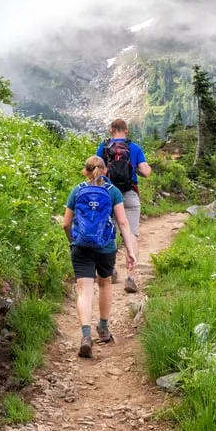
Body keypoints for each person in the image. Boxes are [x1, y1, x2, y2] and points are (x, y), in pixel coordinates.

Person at [60, 156, 138, 358]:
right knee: (104, 284)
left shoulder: (77, 191)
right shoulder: (113, 192)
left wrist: (73, 241)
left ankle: (85, 335)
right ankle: (103, 328)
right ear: (105, 171)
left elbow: (66, 224)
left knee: (84, 290)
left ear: (85, 172)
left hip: (81, 246)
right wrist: (130, 250)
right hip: (106, 247)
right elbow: (123, 223)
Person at [98, 118, 152, 293]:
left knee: (109, 232)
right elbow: (146, 172)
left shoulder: (104, 148)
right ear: (126, 130)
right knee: (132, 235)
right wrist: (132, 167)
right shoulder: (134, 148)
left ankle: (111, 270)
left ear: (111, 130)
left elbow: (97, 171)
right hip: (129, 194)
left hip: (109, 194)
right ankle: (130, 276)